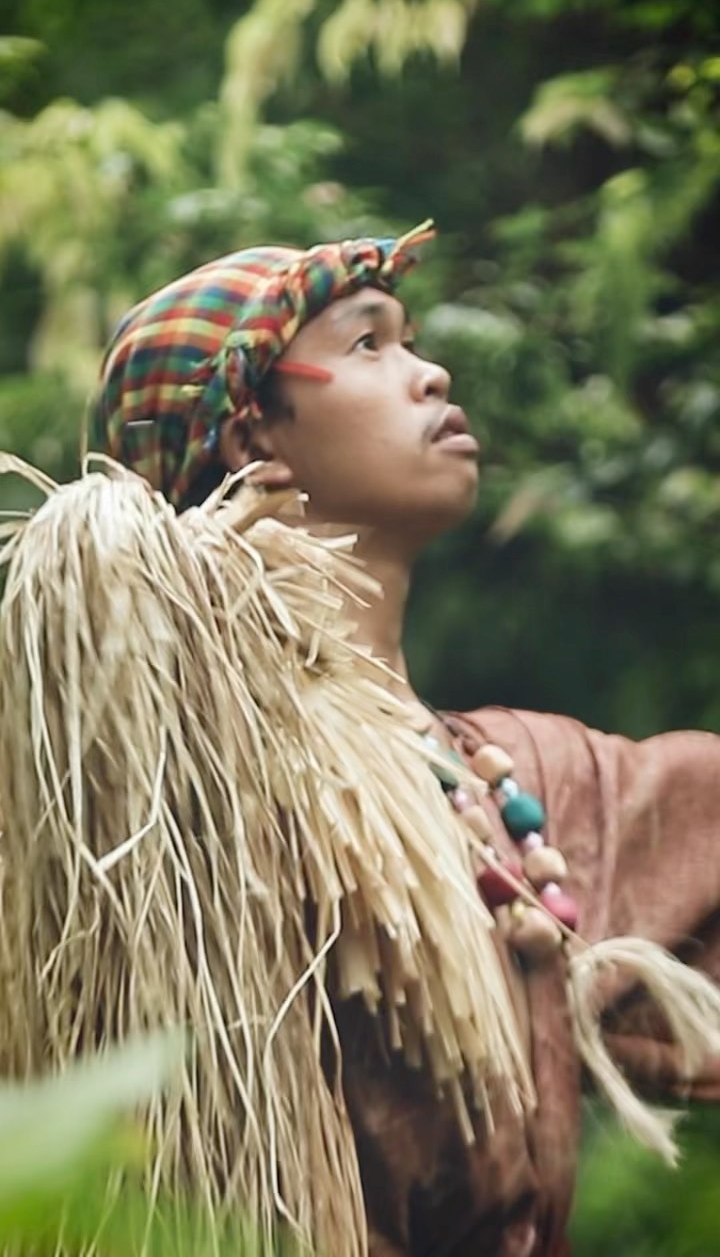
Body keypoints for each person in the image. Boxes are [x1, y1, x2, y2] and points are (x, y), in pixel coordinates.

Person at [1, 222, 719, 1257]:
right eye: (369, 343)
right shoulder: (184, 771)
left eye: (412, 341)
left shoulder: (514, 783)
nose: (430, 372)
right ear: (251, 436)